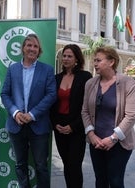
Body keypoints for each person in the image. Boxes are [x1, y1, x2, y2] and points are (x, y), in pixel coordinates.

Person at [0, 34, 56, 188]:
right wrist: (15, 113)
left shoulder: (47, 70)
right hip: (16, 125)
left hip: (38, 126)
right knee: (20, 164)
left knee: (41, 166)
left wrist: (32, 115)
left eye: (35, 46)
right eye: (29, 45)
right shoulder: (13, 69)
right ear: (23, 48)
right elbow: (4, 94)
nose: (32, 49)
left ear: (39, 51)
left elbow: (51, 95)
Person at [81, 47, 135, 188]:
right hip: (96, 142)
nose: (95, 63)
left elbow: (131, 115)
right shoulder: (90, 83)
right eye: (94, 60)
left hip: (119, 143)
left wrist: (113, 138)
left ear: (111, 62)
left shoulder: (128, 83)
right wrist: (91, 134)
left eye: (98, 60)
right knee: (100, 180)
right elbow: (85, 111)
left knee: (115, 181)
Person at [50, 44, 92, 188]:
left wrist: (73, 126)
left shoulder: (85, 77)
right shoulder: (56, 78)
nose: (66, 59)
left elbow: (88, 106)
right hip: (59, 127)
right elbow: (52, 104)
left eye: (70, 56)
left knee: (74, 165)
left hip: (76, 127)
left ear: (77, 59)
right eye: (64, 55)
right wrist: (55, 123)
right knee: (66, 164)